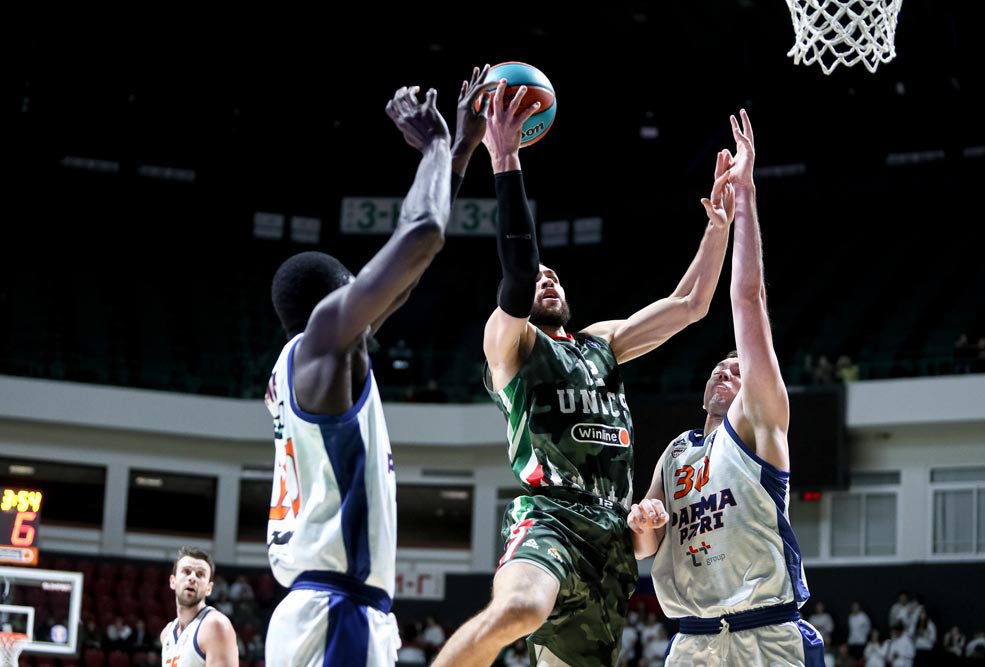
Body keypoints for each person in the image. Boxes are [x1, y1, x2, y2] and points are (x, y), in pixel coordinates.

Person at [432, 79, 734, 667]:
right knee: (519, 609)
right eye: (536, 276)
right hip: (550, 514)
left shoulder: (601, 343)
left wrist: (719, 225)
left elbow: (690, 304)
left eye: (554, 275)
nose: (546, 278)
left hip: (612, 539)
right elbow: (518, 269)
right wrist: (505, 156)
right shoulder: (511, 345)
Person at [263, 77, 488, 667]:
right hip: (338, 611)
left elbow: (406, 280)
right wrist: (435, 145)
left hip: (315, 607)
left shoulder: (308, 367)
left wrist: (462, 151)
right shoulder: (326, 339)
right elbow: (422, 235)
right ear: (339, 297)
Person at [630, 110, 825, 666]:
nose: (726, 371)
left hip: (768, 635)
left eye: (739, 369)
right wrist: (643, 523)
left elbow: (748, 299)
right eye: (720, 366)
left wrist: (745, 197)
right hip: (692, 642)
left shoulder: (758, 422)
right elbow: (645, 548)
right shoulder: (676, 452)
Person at [160, 548, 238, 667]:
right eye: (186, 571)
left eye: (200, 574)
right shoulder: (167, 633)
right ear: (172, 581)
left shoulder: (216, 625)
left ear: (209, 588)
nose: (192, 578)